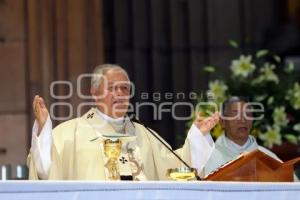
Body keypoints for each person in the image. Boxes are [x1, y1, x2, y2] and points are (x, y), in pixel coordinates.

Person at [27, 64, 220, 180]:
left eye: (125, 89)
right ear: (94, 94)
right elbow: (46, 171)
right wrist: (44, 131)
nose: (120, 93)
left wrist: (198, 136)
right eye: (112, 88)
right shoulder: (69, 133)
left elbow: (176, 169)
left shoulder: (144, 134)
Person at [203, 96, 280, 176]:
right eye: (236, 115)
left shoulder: (268, 158)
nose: (243, 120)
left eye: (248, 114)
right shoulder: (207, 158)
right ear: (222, 122)